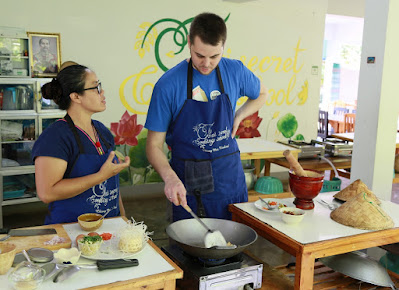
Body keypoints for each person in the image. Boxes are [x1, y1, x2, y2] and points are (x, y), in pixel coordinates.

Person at [145, 12, 267, 221]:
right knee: (192, 246)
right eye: (200, 56)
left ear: (223, 47)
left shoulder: (235, 70)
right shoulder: (168, 85)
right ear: (189, 43)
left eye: (214, 56)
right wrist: (170, 178)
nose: (207, 64)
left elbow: (262, 94)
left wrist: (239, 115)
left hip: (229, 176)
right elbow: (153, 145)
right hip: (190, 183)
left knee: (234, 242)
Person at [32, 64, 130, 224]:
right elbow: (46, 193)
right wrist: (99, 177)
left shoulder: (102, 131)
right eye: (96, 87)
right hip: (70, 231)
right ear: (76, 96)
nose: (102, 92)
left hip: (109, 226)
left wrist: (122, 219)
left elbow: (112, 183)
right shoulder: (55, 137)